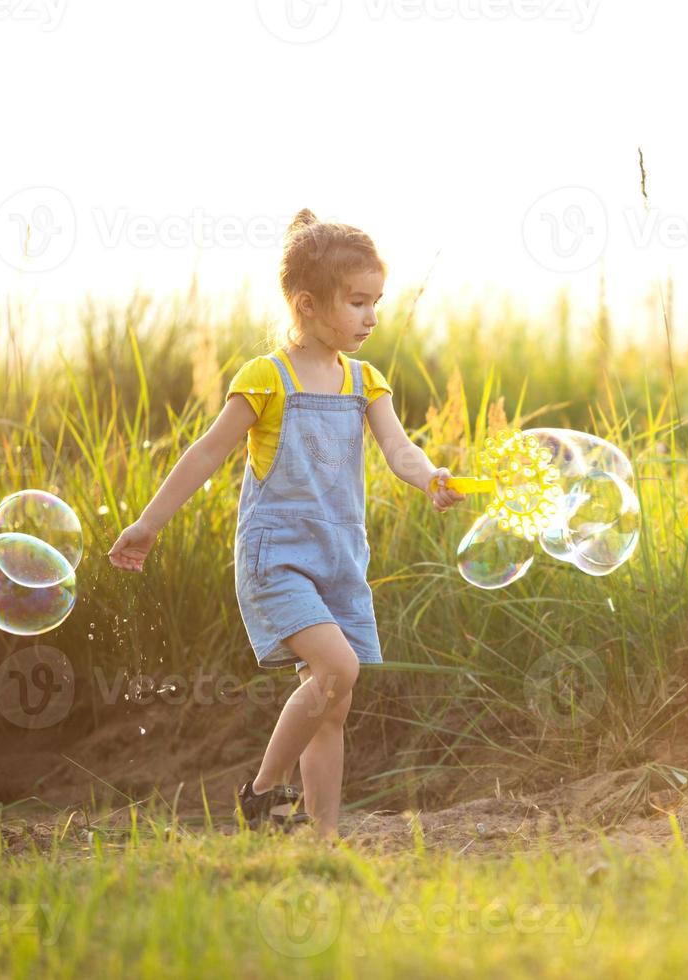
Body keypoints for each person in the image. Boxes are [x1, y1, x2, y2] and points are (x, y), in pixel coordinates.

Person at [107, 208, 466, 840]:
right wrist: (148, 523)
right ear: (306, 303)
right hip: (277, 558)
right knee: (338, 670)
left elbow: (400, 450)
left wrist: (431, 476)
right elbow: (208, 452)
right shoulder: (266, 378)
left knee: (333, 704)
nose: (372, 318)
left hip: (339, 558)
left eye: (376, 302)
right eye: (357, 303)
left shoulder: (365, 381)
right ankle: (263, 791)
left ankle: (320, 837)